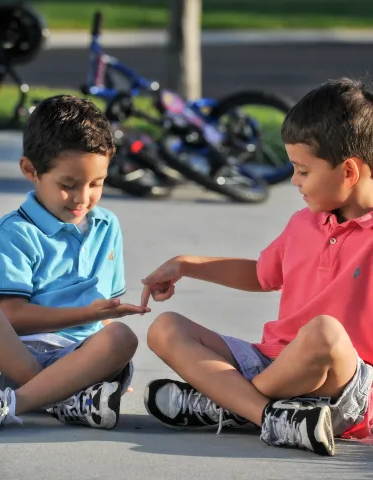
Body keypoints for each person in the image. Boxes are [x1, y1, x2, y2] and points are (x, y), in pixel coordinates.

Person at [140, 78, 373, 456]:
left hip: (343, 387)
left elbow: (330, 344)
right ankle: (268, 415)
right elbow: (262, 275)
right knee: (166, 328)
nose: (294, 181)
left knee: (325, 333)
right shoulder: (303, 223)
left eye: (302, 170)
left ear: (348, 172)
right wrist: (185, 264)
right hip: (271, 362)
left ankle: (228, 403)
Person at [0, 95, 150, 434]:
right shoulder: (15, 232)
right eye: (68, 185)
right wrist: (90, 314)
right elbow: (11, 319)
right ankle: (60, 399)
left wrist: (103, 348)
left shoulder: (107, 226)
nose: (83, 198)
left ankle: (15, 403)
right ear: (30, 170)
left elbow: (102, 320)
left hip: (73, 359)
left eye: (96, 184)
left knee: (120, 338)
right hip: (5, 356)